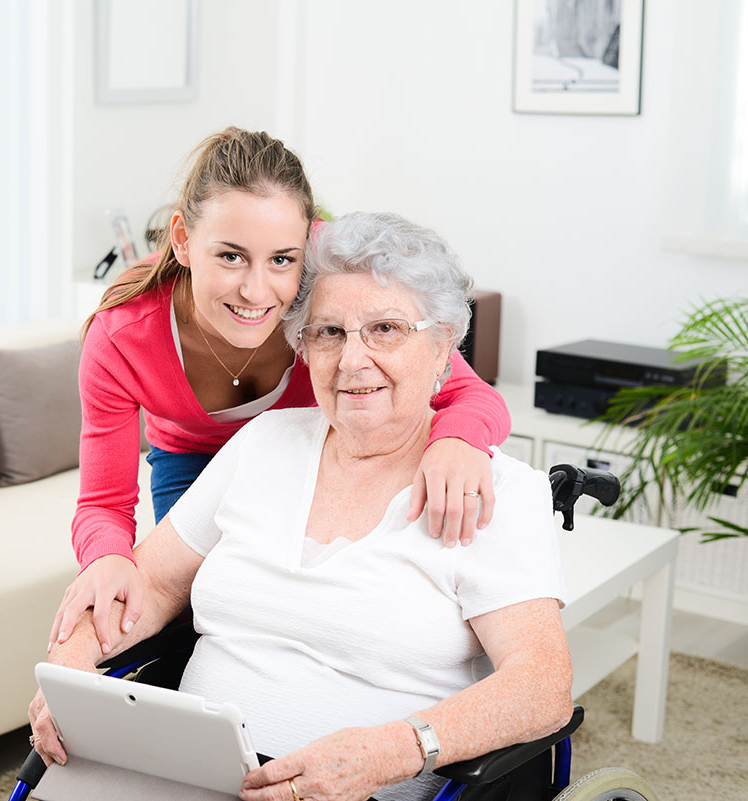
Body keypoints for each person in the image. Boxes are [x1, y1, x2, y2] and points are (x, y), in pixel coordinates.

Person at [30, 212, 572, 801]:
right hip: (182, 774)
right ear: (303, 349)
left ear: (444, 346)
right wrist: (70, 670)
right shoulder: (263, 442)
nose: (353, 359)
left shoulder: (496, 490)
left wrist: (392, 749)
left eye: (386, 329)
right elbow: (151, 586)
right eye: (329, 333)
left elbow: (542, 686)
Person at [53, 128, 512, 654]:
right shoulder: (122, 336)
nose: (256, 290)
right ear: (182, 239)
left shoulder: (327, 285)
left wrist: (456, 440)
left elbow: (472, 394)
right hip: (191, 460)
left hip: (307, 454)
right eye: (230, 256)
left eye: (281, 260)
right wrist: (107, 556)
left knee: (311, 609)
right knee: (199, 611)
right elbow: (103, 502)